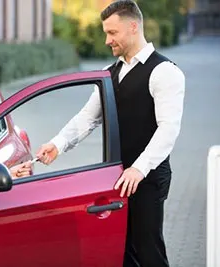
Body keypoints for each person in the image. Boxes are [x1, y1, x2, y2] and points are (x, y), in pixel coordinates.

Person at [36, 1, 185, 266]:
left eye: (112, 33)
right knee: (122, 251)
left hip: (147, 177)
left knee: (148, 250)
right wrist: (58, 144)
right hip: (116, 176)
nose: (107, 40)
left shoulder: (165, 72)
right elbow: (87, 118)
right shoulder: (109, 73)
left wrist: (139, 169)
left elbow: (169, 128)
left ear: (133, 27)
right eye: (106, 33)